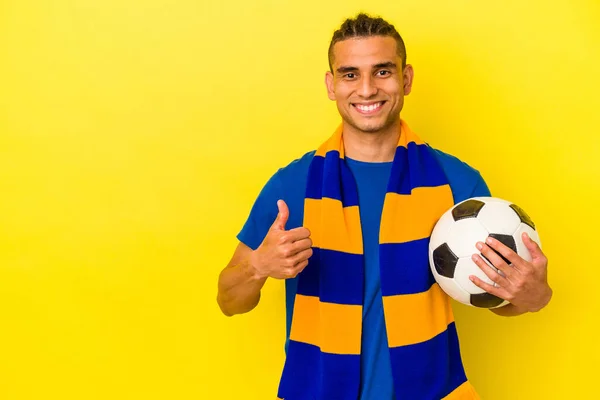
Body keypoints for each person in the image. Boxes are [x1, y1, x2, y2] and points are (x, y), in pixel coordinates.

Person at [216, 13, 552, 400]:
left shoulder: (458, 184)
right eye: (349, 74)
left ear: (405, 78)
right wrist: (259, 266)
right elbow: (229, 301)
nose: (367, 89)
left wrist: (533, 296)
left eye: (382, 71)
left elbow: (493, 297)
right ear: (331, 85)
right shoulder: (292, 186)